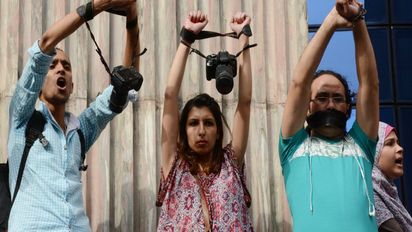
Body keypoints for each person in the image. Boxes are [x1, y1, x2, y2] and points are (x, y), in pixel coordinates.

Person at [7, 0, 140, 230]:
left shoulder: (80, 131)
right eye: (53, 65)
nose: (60, 69)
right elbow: (46, 45)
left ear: (72, 85)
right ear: (38, 85)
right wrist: (99, 5)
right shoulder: (23, 117)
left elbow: (125, 83)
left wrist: (132, 21)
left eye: (66, 67)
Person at [279, 0, 379, 231]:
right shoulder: (293, 146)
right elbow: (299, 83)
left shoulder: (361, 145)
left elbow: (370, 85)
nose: (331, 105)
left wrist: (358, 21)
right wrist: (330, 22)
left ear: (348, 109)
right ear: (307, 106)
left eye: (338, 98)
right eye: (322, 98)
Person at [156, 11, 253, 231]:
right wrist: (187, 38)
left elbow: (245, 103)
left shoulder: (231, 163)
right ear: (183, 130)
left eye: (209, 123)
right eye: (193, 123)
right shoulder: (174, 166)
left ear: (219, 131)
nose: (201, 131)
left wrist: (244, 37)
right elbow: (170, 95)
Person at [372, 122, 412, 232]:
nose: (400, 148)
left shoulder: (386, 191)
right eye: (389, 143)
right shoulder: (370, 193)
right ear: (374, 151)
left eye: (398, 143)